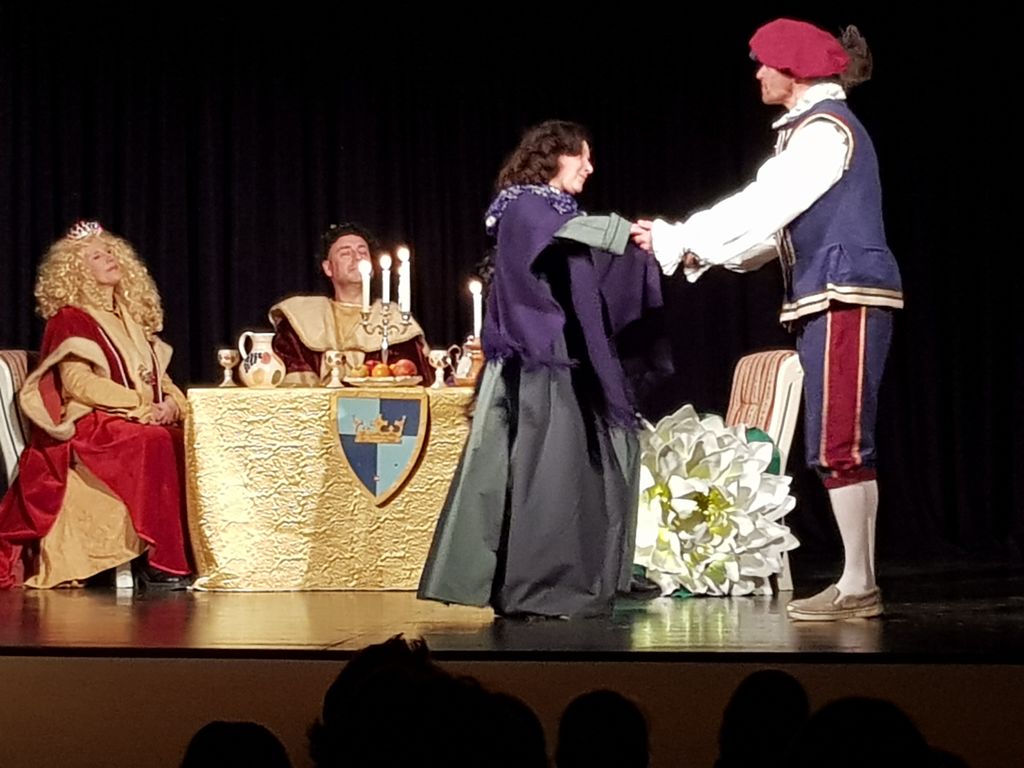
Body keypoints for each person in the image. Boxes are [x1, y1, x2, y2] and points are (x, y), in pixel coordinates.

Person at [632, 19, 902, 621]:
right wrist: (694, 251)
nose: (757, 74)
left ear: (795, 71)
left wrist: (684, 236)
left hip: (845, 291)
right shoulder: (809, 130)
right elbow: (772, 232)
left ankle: (859, 584)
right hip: (827, 293)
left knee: (840, 443)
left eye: (765, 64)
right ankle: (857, 581)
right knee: (833, 442)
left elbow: (766, 203)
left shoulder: (825, 131)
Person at [418, 119, 665, 618]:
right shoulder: (525, 205)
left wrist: (635, 253)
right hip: (540, 360)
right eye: (582, 156)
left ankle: (584, 574)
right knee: (547, 472)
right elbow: (561, 236)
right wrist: (628, 232)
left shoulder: (552, 209)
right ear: (554, 154)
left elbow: (584, 265)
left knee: (574, 469)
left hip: (566, 356)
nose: (590, 167)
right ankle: (541, 586)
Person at [0, 221, 193, 588]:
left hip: (137, 418)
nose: (108, 258)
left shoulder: (131, 319)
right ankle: (160, 563)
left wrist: (171, 404)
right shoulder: (70, 319)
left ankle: (193, 555)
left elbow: (159, 378)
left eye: (109, 252)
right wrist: (139, 404)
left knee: (186, 438)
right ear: (76, 271)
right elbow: (79, 384)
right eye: (95, 256)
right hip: (94, 424)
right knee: (153, 442)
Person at [270, 222, 430, 385]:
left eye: (363, 252)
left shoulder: (394, 320)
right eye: (346, 253)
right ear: (328, 268)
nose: (357, 257)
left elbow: (414, 379)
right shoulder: (301, 318)